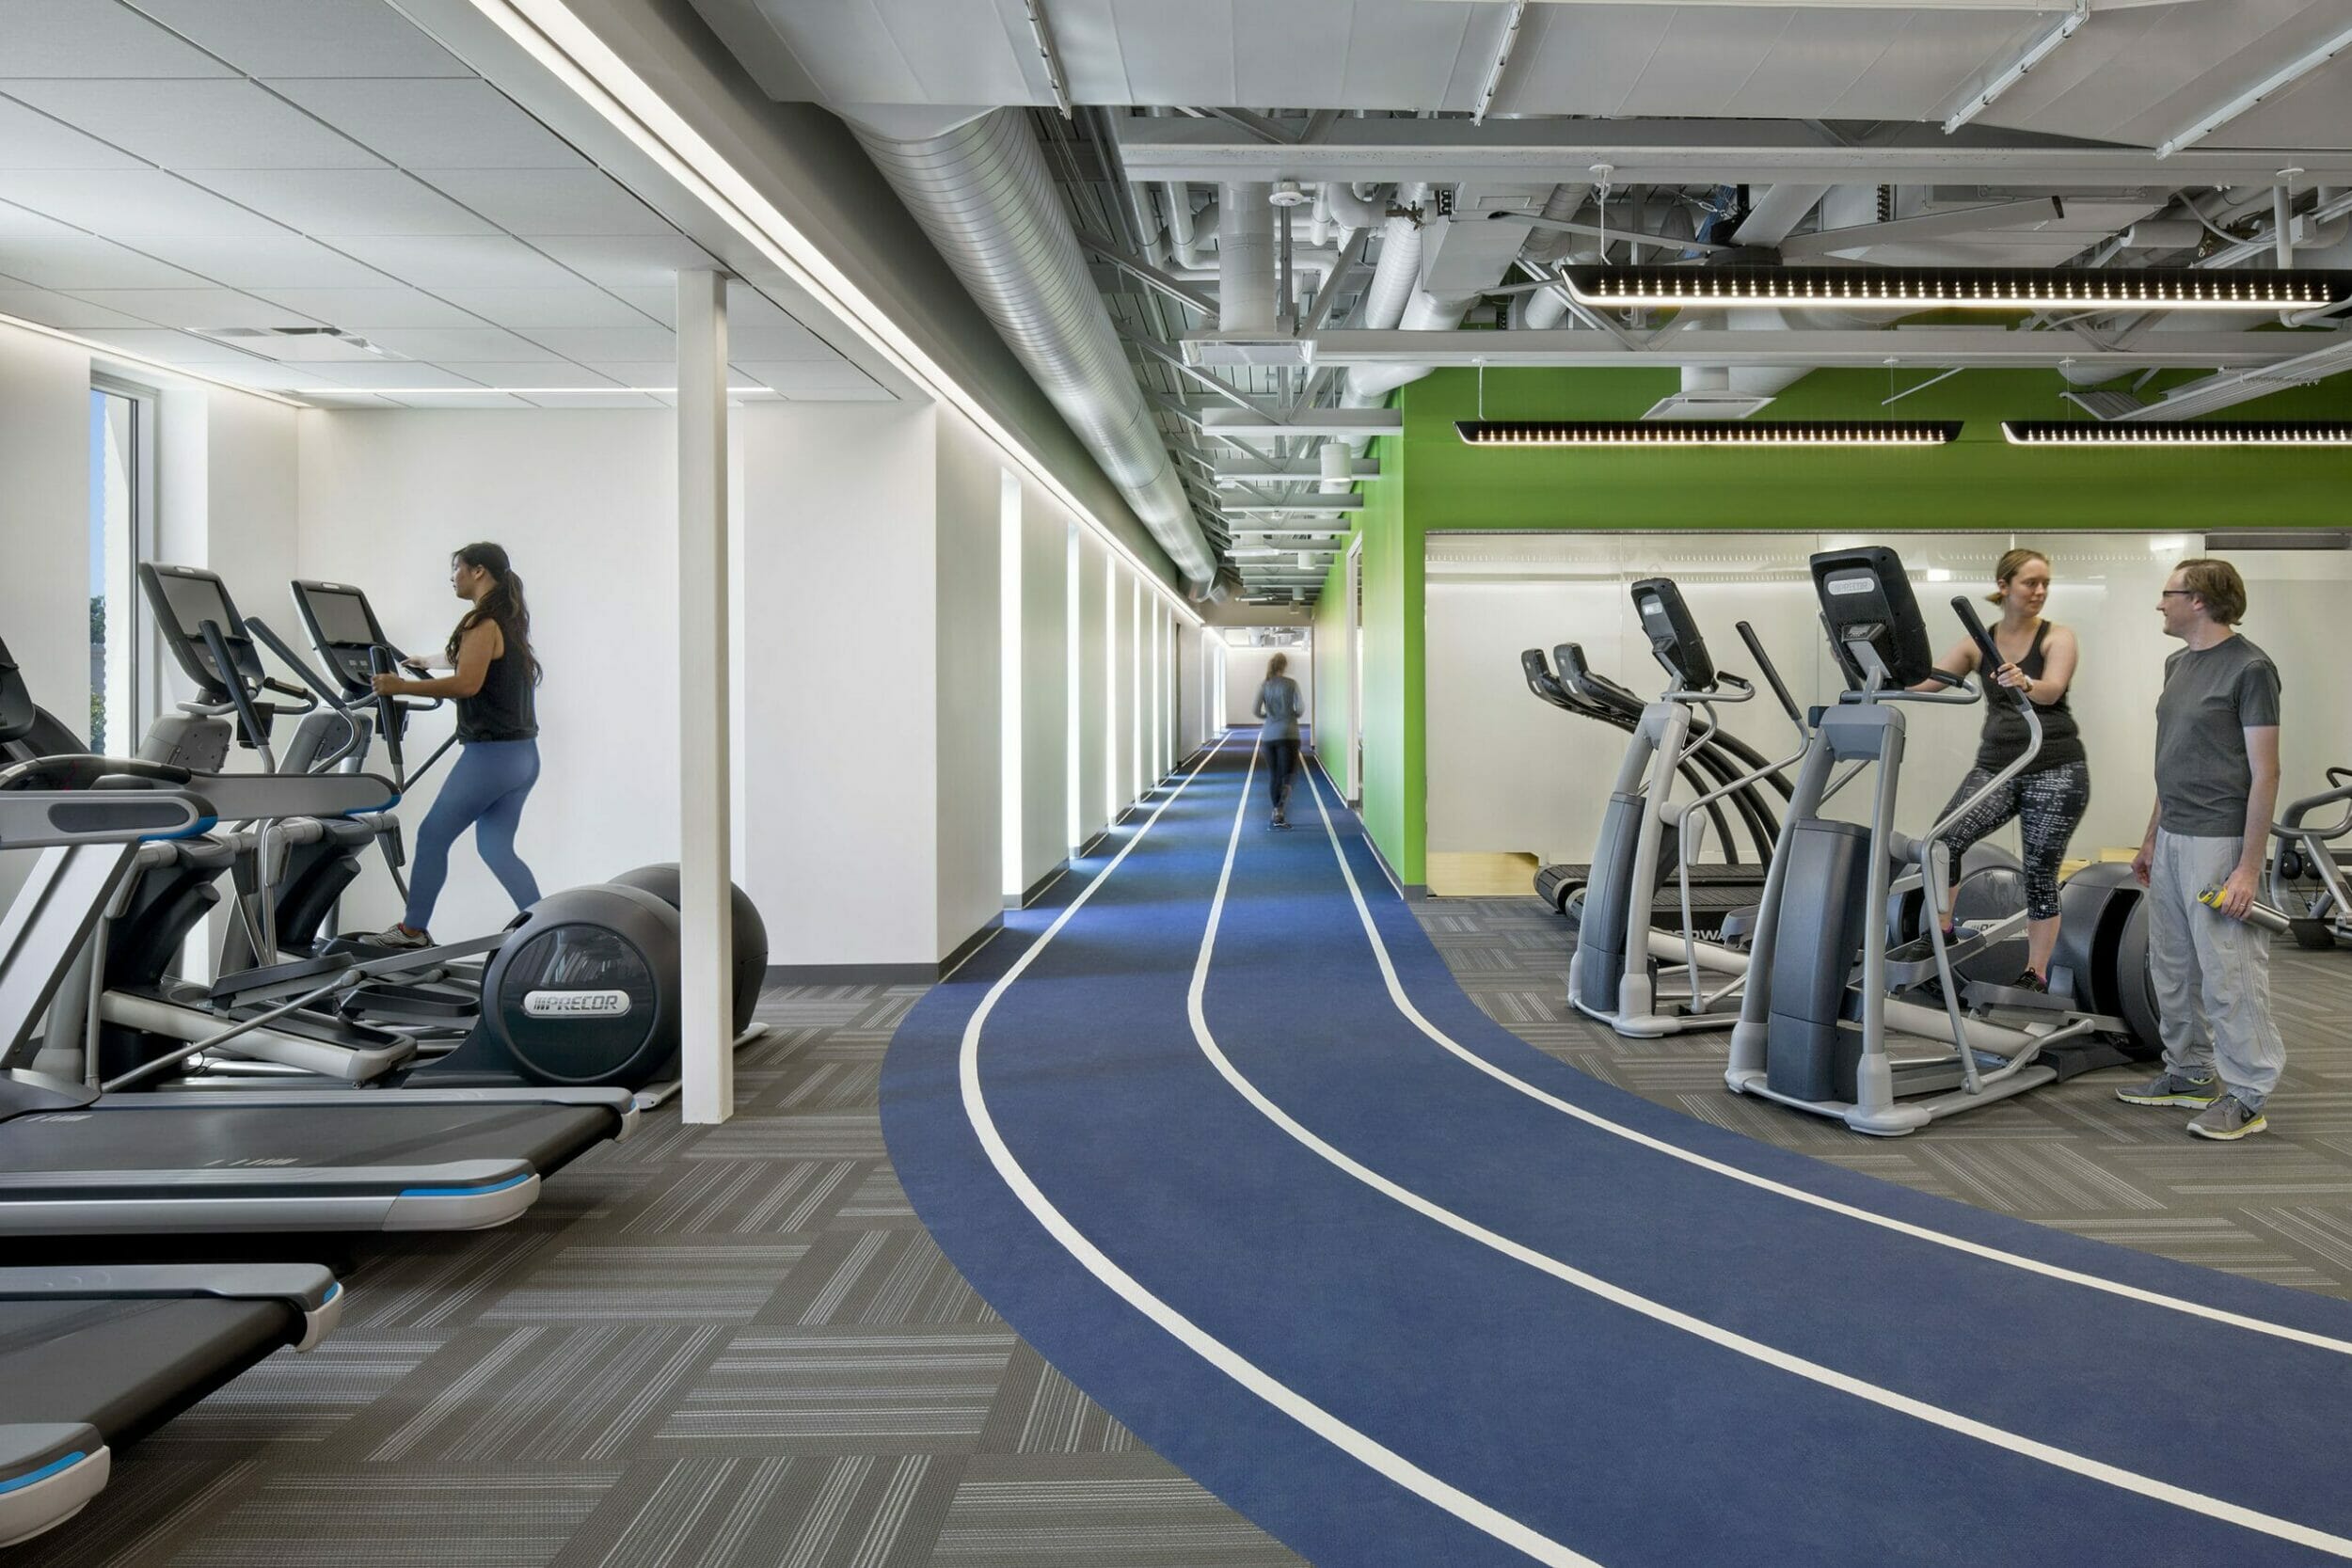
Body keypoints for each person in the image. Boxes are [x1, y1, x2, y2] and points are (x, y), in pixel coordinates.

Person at [2116, 558, 2284, 1141]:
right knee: (2172, 964)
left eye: (2169, 594)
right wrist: (2151, 836)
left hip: (2221, 839)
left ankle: (2247, 1094)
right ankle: (2188, 1072)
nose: (2160, 604)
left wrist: (2247, 868)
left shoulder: (2252, 669)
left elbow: (2266, 774)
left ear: (2202, 600)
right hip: (2174, 835)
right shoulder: (2178, 663)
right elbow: (2174, 758)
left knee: (2228, 970)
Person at [1913, 548, 2090, 991]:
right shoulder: (1979, 642)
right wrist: (1866, 670)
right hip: (1997, 766)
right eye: (2031, 582)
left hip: (2055, 768)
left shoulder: (2057, 637)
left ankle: (2036, 974)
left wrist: (2024, 681)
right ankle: (1943, 936)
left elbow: (2050, 691)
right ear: (2004, 586)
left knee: (2040, 871)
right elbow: (1927, 682)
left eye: (2046, 582)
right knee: (1943, 843)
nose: (2041, 591)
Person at [365, 543, 544, 948]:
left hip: (491, 757)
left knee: (431, 835)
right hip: (523, 757)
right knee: (496, 848)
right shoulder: (508, 621)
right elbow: (469, 663)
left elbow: (468, 682)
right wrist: (424, 662)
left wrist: (399, 687)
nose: (452, 577)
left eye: (456, 569)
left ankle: (411, 932)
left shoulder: (480, 623)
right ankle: (545, 930)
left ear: (478, 571)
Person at [1255, 651, 1305, 830]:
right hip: (1289, 734)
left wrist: (1269, 715)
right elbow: (1300, 709)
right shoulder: (1291, 684)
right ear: (1284, 666)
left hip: (1269, 736)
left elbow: (1256, 711)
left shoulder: (1265, 685)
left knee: (1274, 775)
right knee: (1289, 775)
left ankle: (1276, 810)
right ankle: (1280, 809)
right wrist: (1290, 714)